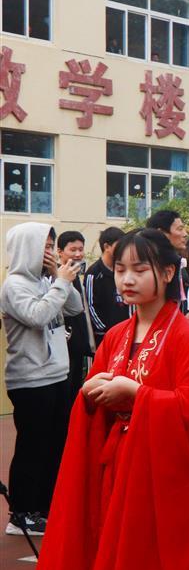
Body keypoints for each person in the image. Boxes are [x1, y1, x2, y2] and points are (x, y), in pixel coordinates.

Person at [28, 228, 189, 570]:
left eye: (140, 269)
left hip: (159, 479)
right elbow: (99, 401)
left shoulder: (185, 338)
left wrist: (139, 398)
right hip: (117, 469)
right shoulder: (114, 334)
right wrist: (92, 396)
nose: (126, 279)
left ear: (168, 273)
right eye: (120, 270)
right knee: (114, 563)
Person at [1, 223, 83, 536]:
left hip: (57, 374)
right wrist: (58, 284)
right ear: (27, 248)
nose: (49, 252)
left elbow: (74, 307)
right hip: (30, 380)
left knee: (54, 445)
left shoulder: (49, 280)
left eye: (51, 246)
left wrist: (58, 278)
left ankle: (44, 508)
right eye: (45, 246)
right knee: (32, 447)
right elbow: (37, 316)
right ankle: (20, 513)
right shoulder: (15, 285)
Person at [57, 230, 92, 401]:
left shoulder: (77, 275)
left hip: (79, 345)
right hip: (64, 345)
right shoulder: (56, 276)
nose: (78, 254)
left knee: (76, 392)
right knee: (65, 394)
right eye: (73, 250)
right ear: (60, 252)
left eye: (80, 249)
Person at [83, 226, 130, 349]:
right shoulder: (93, 273)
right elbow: (90, 306)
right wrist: (103, 329)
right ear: (106, 247)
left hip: (127, 332)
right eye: (119, 245)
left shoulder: (124, 270)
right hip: (104, 336)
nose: (123, 250)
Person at [146, 209, 189, 318]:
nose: (185, 234)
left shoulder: (178, 264)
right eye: (180, 229)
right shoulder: (151, 267)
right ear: (161, 233)